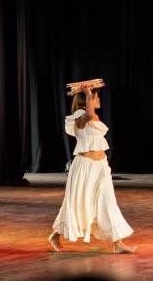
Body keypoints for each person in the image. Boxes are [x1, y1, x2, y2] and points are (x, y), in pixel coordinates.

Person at [49, 84, 135, 253]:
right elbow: (88, 114)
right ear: (86, 99)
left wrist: (88, 94)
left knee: (107, 202)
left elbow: (91, 115)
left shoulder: (93, 117)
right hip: (85, 168)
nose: (98, 99)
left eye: (94, 96)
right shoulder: (80, 115)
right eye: (96, 97)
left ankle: (118, 244)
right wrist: (88, 92)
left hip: (101, 167)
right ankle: (55, 235)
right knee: (78, 204)